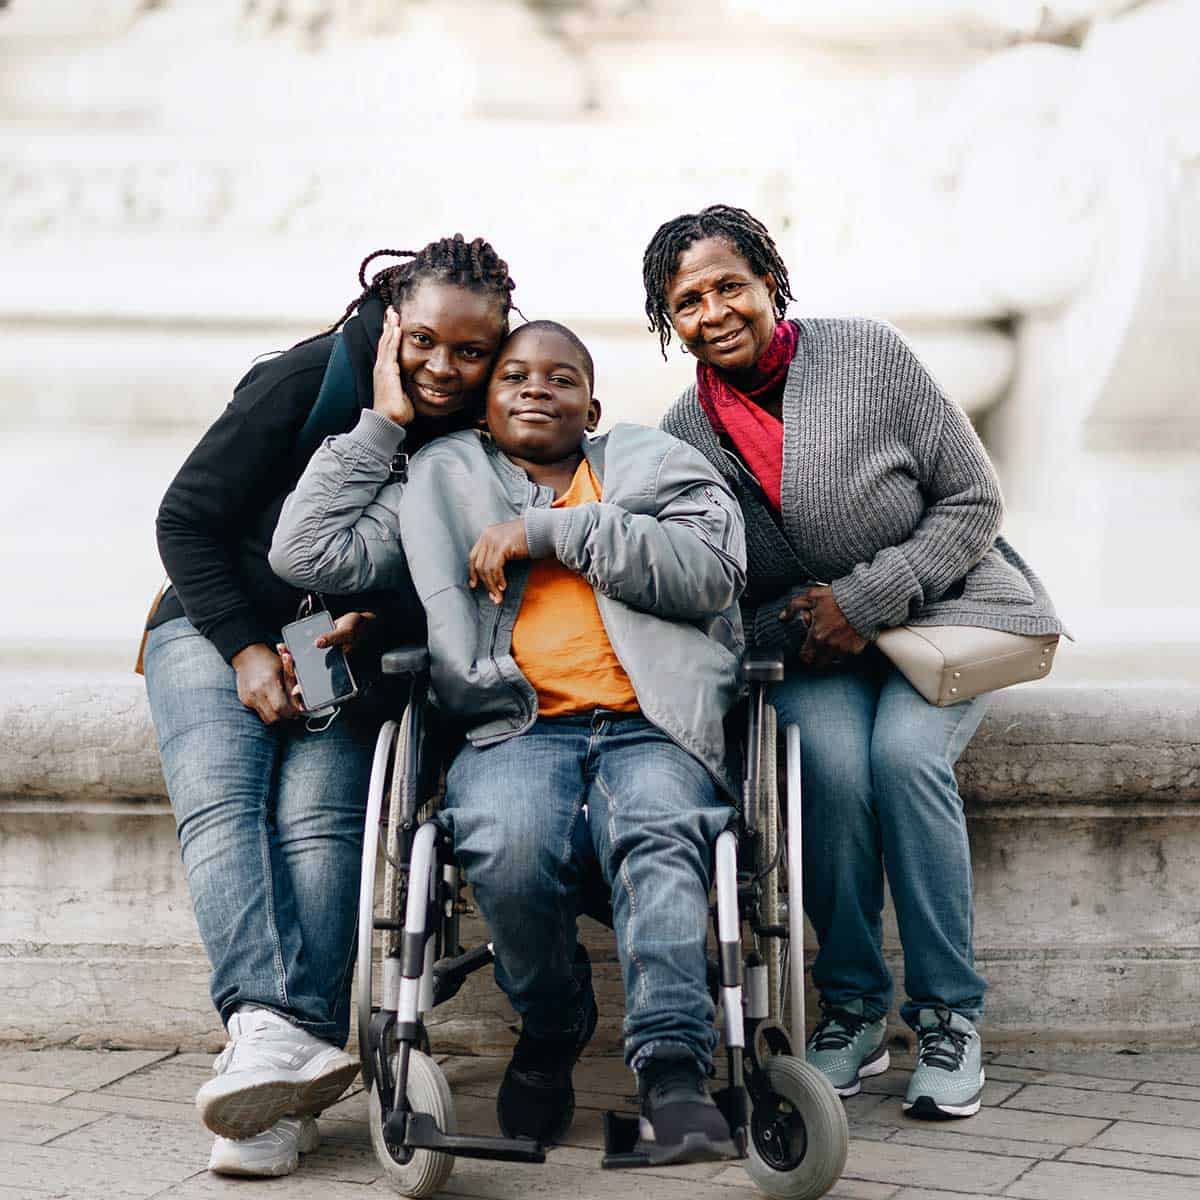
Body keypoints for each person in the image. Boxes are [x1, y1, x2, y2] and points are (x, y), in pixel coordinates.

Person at [271, 320, 747, 1162]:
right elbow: (304, 549)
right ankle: (554, 1021)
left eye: (560, 378)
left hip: (654, 726)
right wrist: (380, 425)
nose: (536, 388)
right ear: (486, 406)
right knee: (510, 845)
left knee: (661, 836)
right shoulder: (441, 479)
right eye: (516, 376)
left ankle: (674, 1076)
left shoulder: (651, 460)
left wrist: (559, 533)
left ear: (592, 406)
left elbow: (711, 571)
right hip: (514, 728)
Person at [642, 204, 1064, 1119]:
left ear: (769, 284)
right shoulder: (680, 437)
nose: (713, 312)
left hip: (945, 617)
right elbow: (710, 587)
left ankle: (950, 1016)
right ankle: (855, 1009)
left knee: (904, 760)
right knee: (829, 770)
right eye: (687, 301)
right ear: (666, 321)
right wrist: (800, 627)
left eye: (730, 286)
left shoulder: (867, 355)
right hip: (813, 653)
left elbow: (973, 498)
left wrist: (865, 602)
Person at [141, 234, 518, 1178]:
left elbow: (449, 578)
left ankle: (271, 1082)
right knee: (225, 805)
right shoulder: (308, 379)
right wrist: (243, 646)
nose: (443, 367)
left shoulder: (482, 430)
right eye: (426, 340)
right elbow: (185, 517)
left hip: (349, 654)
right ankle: (274, 1041)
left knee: (319, 824)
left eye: (470, 352)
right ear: (393, 319)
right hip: (212, 622)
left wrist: (368, 628)